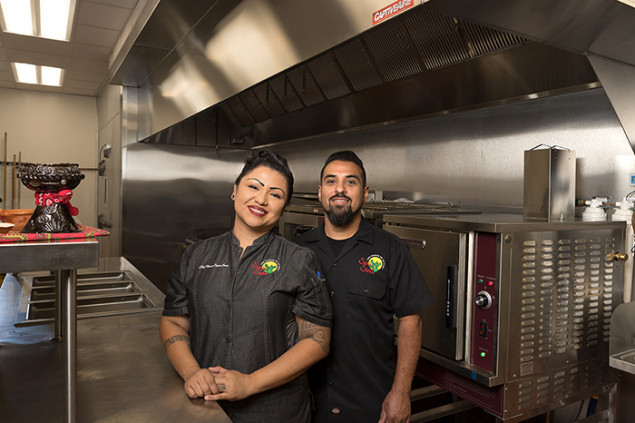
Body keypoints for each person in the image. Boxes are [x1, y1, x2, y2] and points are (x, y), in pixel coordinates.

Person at [160, 150, 332, 423]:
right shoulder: (197, 255)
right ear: (235, 190)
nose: (261, 199)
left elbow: (317, 341)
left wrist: (251, 383)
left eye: (275, 194)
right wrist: (192, 372)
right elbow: (174, 323)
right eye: (254, 186)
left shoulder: (299, 260)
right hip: (207, 407)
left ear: (283, 206)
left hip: (277, 412)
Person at [297, 150, 433, 423]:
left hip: (370, 404)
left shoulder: (391, 249)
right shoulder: (299, 251)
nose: (340, 189)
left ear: (365, 192)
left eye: (351, 182)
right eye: (331, 181)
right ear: (320, 191)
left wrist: (401, 393)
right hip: (306, 402)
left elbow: (411, 321)